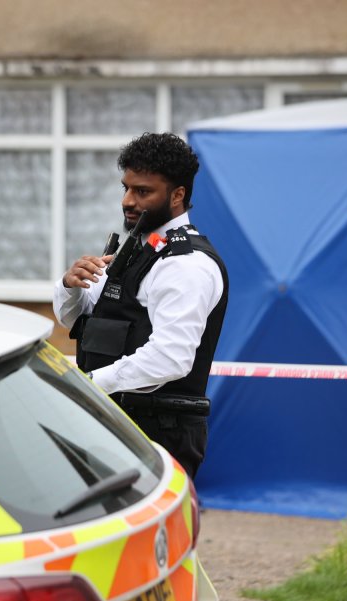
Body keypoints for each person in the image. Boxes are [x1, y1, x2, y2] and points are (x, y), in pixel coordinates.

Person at [53, 132, 228, 479]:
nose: (128, 201)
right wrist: (70, 285)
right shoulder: (142, 246)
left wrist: (89, 385)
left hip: (156, 433)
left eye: (143, 191)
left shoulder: (186, 265)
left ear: (178, 195)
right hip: (116, 421)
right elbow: (78, 320)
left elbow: (170, 357)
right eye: (126, 188)